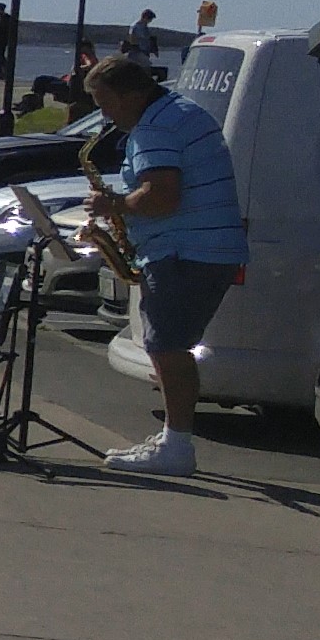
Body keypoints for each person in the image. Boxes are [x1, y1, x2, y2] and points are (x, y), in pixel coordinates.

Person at [79, 52, 247, 477]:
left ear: (132, 93)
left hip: (184, 252)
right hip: (198, 249)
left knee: (168, 347)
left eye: (107, 104)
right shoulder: (179, 112)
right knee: (167, 345)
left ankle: (177, 447)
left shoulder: (155, 126)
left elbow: (161, 197)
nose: (105, 115)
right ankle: (175, 437)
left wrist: (112, 204)